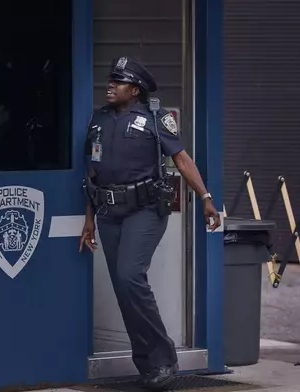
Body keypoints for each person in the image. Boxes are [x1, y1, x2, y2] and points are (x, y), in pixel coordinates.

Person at [79, 56, 221, 389]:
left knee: (130, 277)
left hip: (144, 211)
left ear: (136, 89)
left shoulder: (155, 120)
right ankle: (147, 365)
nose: (110, 86)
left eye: (119, 82)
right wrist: (88, 219)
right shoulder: (98, 119)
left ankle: (164, 359)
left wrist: (205, 198)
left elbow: (182, 160)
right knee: (124, 290)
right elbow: (92, 172)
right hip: (108, 213)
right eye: (110, 80)